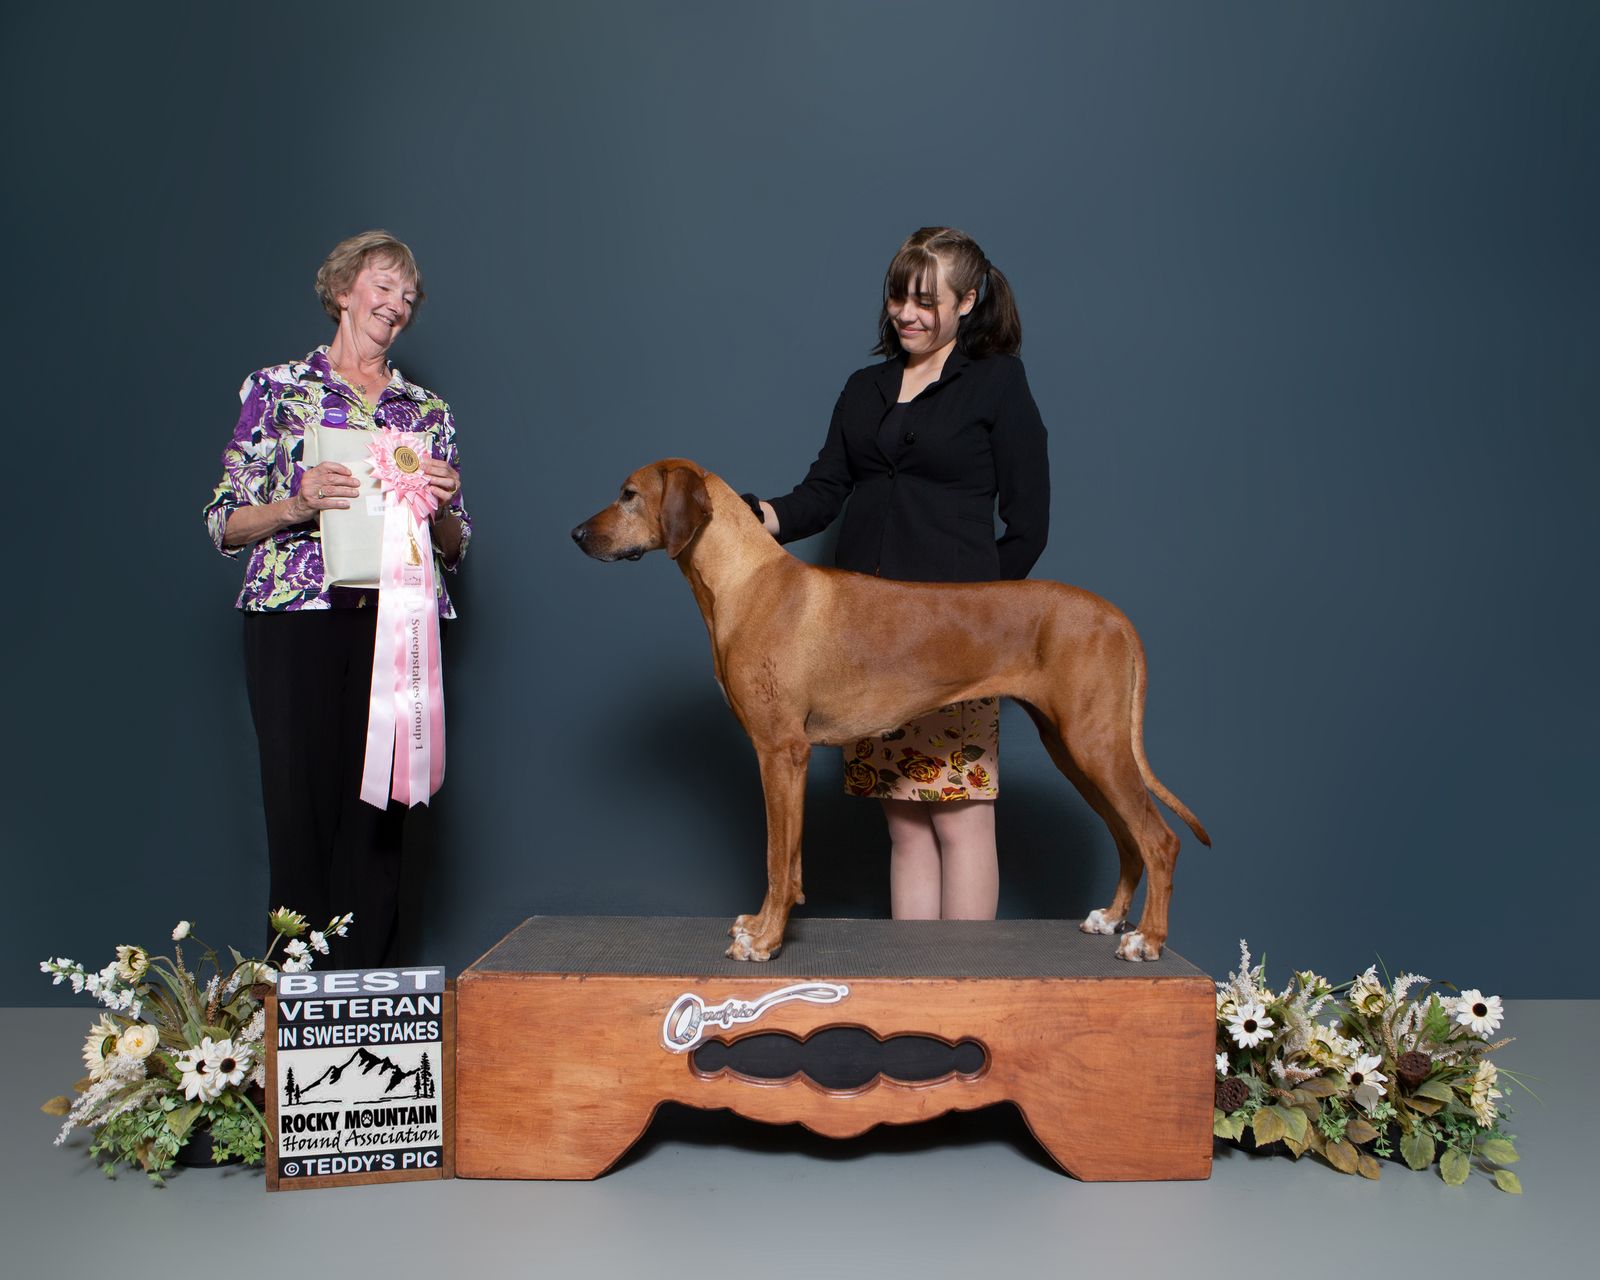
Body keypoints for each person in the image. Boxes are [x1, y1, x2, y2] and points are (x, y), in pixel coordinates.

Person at [751, 227, 1049, 921]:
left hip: (953, 640)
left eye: (926, 301)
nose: (906, 315)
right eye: (897, 298)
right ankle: (914, 983)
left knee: (962, 818)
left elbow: (1030, 523)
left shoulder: (998, 382)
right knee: (905, 826)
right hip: (862, 640)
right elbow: (824, 491)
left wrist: (979, 617)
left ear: (967, 302)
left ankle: (965, 981)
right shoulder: (865, 388)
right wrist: (751, 515)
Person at [203, 229, 470, 969]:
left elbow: (455, 545)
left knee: (380, 817)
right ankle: (296, 998)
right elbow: (223, 520)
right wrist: (296, 504)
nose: (397, 305)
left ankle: (371, 992)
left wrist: (443, 505)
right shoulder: (277, 390)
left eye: (408, 296)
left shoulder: (427, 411)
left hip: (397, 625)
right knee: (300, 808)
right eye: (384, 287)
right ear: (343, 291)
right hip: (296, 622)